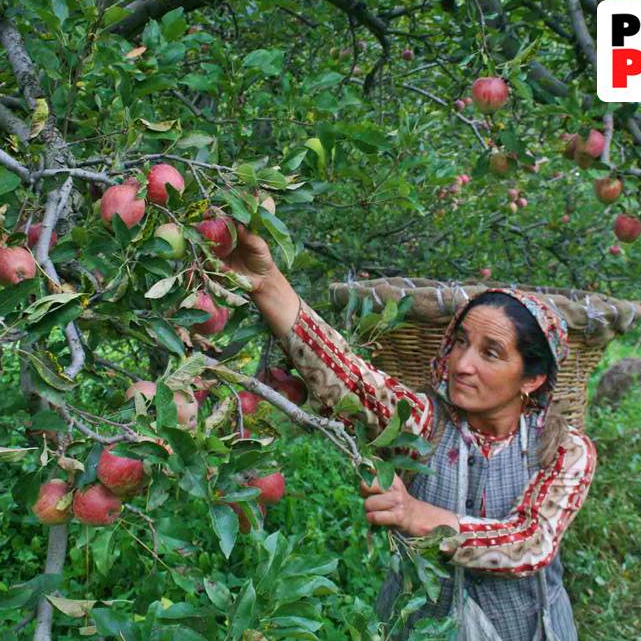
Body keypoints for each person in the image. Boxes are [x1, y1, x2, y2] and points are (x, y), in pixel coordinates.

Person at [222, 225, 597, 640]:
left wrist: (416, 515)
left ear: (532, 378)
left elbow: (532, 541)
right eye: (459, 342)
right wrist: (266, 281)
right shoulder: (423, 423)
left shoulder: (563, 449)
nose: (462, 364)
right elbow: (350, 377)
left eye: (490, 353)